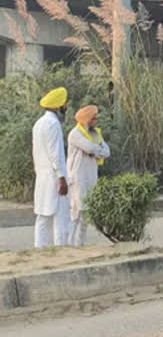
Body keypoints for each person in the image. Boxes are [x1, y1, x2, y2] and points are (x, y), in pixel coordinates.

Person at [32, 87, 70, 248]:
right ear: (58, 106)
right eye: (64, 104)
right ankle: (61, 251)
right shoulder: (53, 124)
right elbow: (56, 154)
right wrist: (61, 177)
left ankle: (39, 250)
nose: (66, 107)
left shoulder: (39, 123)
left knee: (43, 216)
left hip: (42, 176)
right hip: (54, 176)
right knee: (60, 216)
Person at [67, 105, 110, 247]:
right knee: (77, 212)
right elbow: (90, 148)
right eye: (93, 118)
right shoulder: (75, 134)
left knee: (87, 212)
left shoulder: (95, 134)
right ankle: (69, 245)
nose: (96, 121)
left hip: (91, 176)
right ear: (86, 120)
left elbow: (107, 152)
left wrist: (95, 151)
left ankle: (80, 244)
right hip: (78, 178)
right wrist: (97, 150)